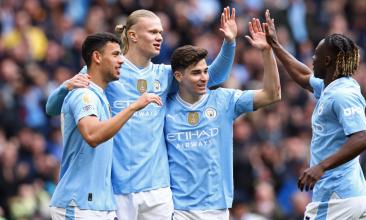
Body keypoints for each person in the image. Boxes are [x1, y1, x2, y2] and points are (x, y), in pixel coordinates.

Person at [46, 7, 238, 220]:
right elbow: (53, 108)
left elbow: (213, 77)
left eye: (161, 33)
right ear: (133, 35)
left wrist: (229, 43)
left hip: (159, 189)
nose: (159, 37)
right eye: (153, 32)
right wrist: (65, 87)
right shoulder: (109, 70)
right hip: (118, 188)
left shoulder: (164, 75)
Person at [165, 17, 281, 220]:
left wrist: (266, 52)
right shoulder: (163, 108)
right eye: (195, 73)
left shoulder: (224, 100)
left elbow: (272, 94)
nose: (203, 78)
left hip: (216, 208)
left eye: (204, 71)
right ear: (178, 76)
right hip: (177, 208)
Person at [263, 10, 366, 219]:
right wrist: (275, 45)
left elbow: (362, 138)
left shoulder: (342, 94)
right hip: (351, 196)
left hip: (336, 197)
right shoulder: (330, 86)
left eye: (317, 55)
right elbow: (303, 75)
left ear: (328, 61)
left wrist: (320, 167)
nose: (312, 59)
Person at [49, 32, 161, 220]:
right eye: (116, 54)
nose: (122, 61)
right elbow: (92, 135)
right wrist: (133, 107)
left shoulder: (100, 95)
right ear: (97, 57)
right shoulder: (84, 94)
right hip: (78, 205)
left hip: (101, 206)